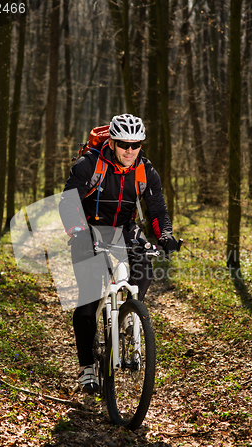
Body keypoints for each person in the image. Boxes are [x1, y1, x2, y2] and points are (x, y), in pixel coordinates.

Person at [59, 114, 178, 393]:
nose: (129, 150)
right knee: (89, 298)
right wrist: (78, 231)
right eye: (124, 143)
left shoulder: (145, 171)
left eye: (135, 144)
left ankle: (128, 315)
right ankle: (87, 367)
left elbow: (157, 210)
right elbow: (68, 201)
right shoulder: (89, 165)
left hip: (124, 228)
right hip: (89, 229)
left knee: (144, 272)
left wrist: (165, 236)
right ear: (112, 141)